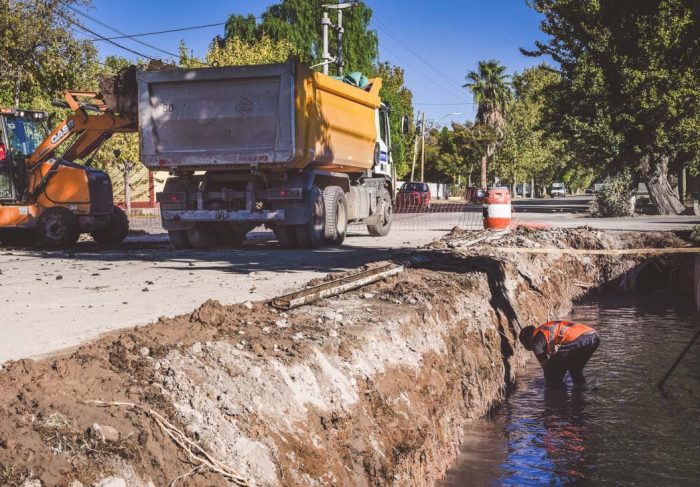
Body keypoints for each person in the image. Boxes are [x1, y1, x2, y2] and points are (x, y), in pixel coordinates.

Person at [519, 320, 600, 387]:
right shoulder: (544, 330)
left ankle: (557, 400)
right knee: (575, 369)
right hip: (593, 336)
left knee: (553, 373)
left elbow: (547, 367)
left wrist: (549, 385)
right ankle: (581, 393)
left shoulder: (536, 341)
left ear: (527, 341)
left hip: (580, 339)